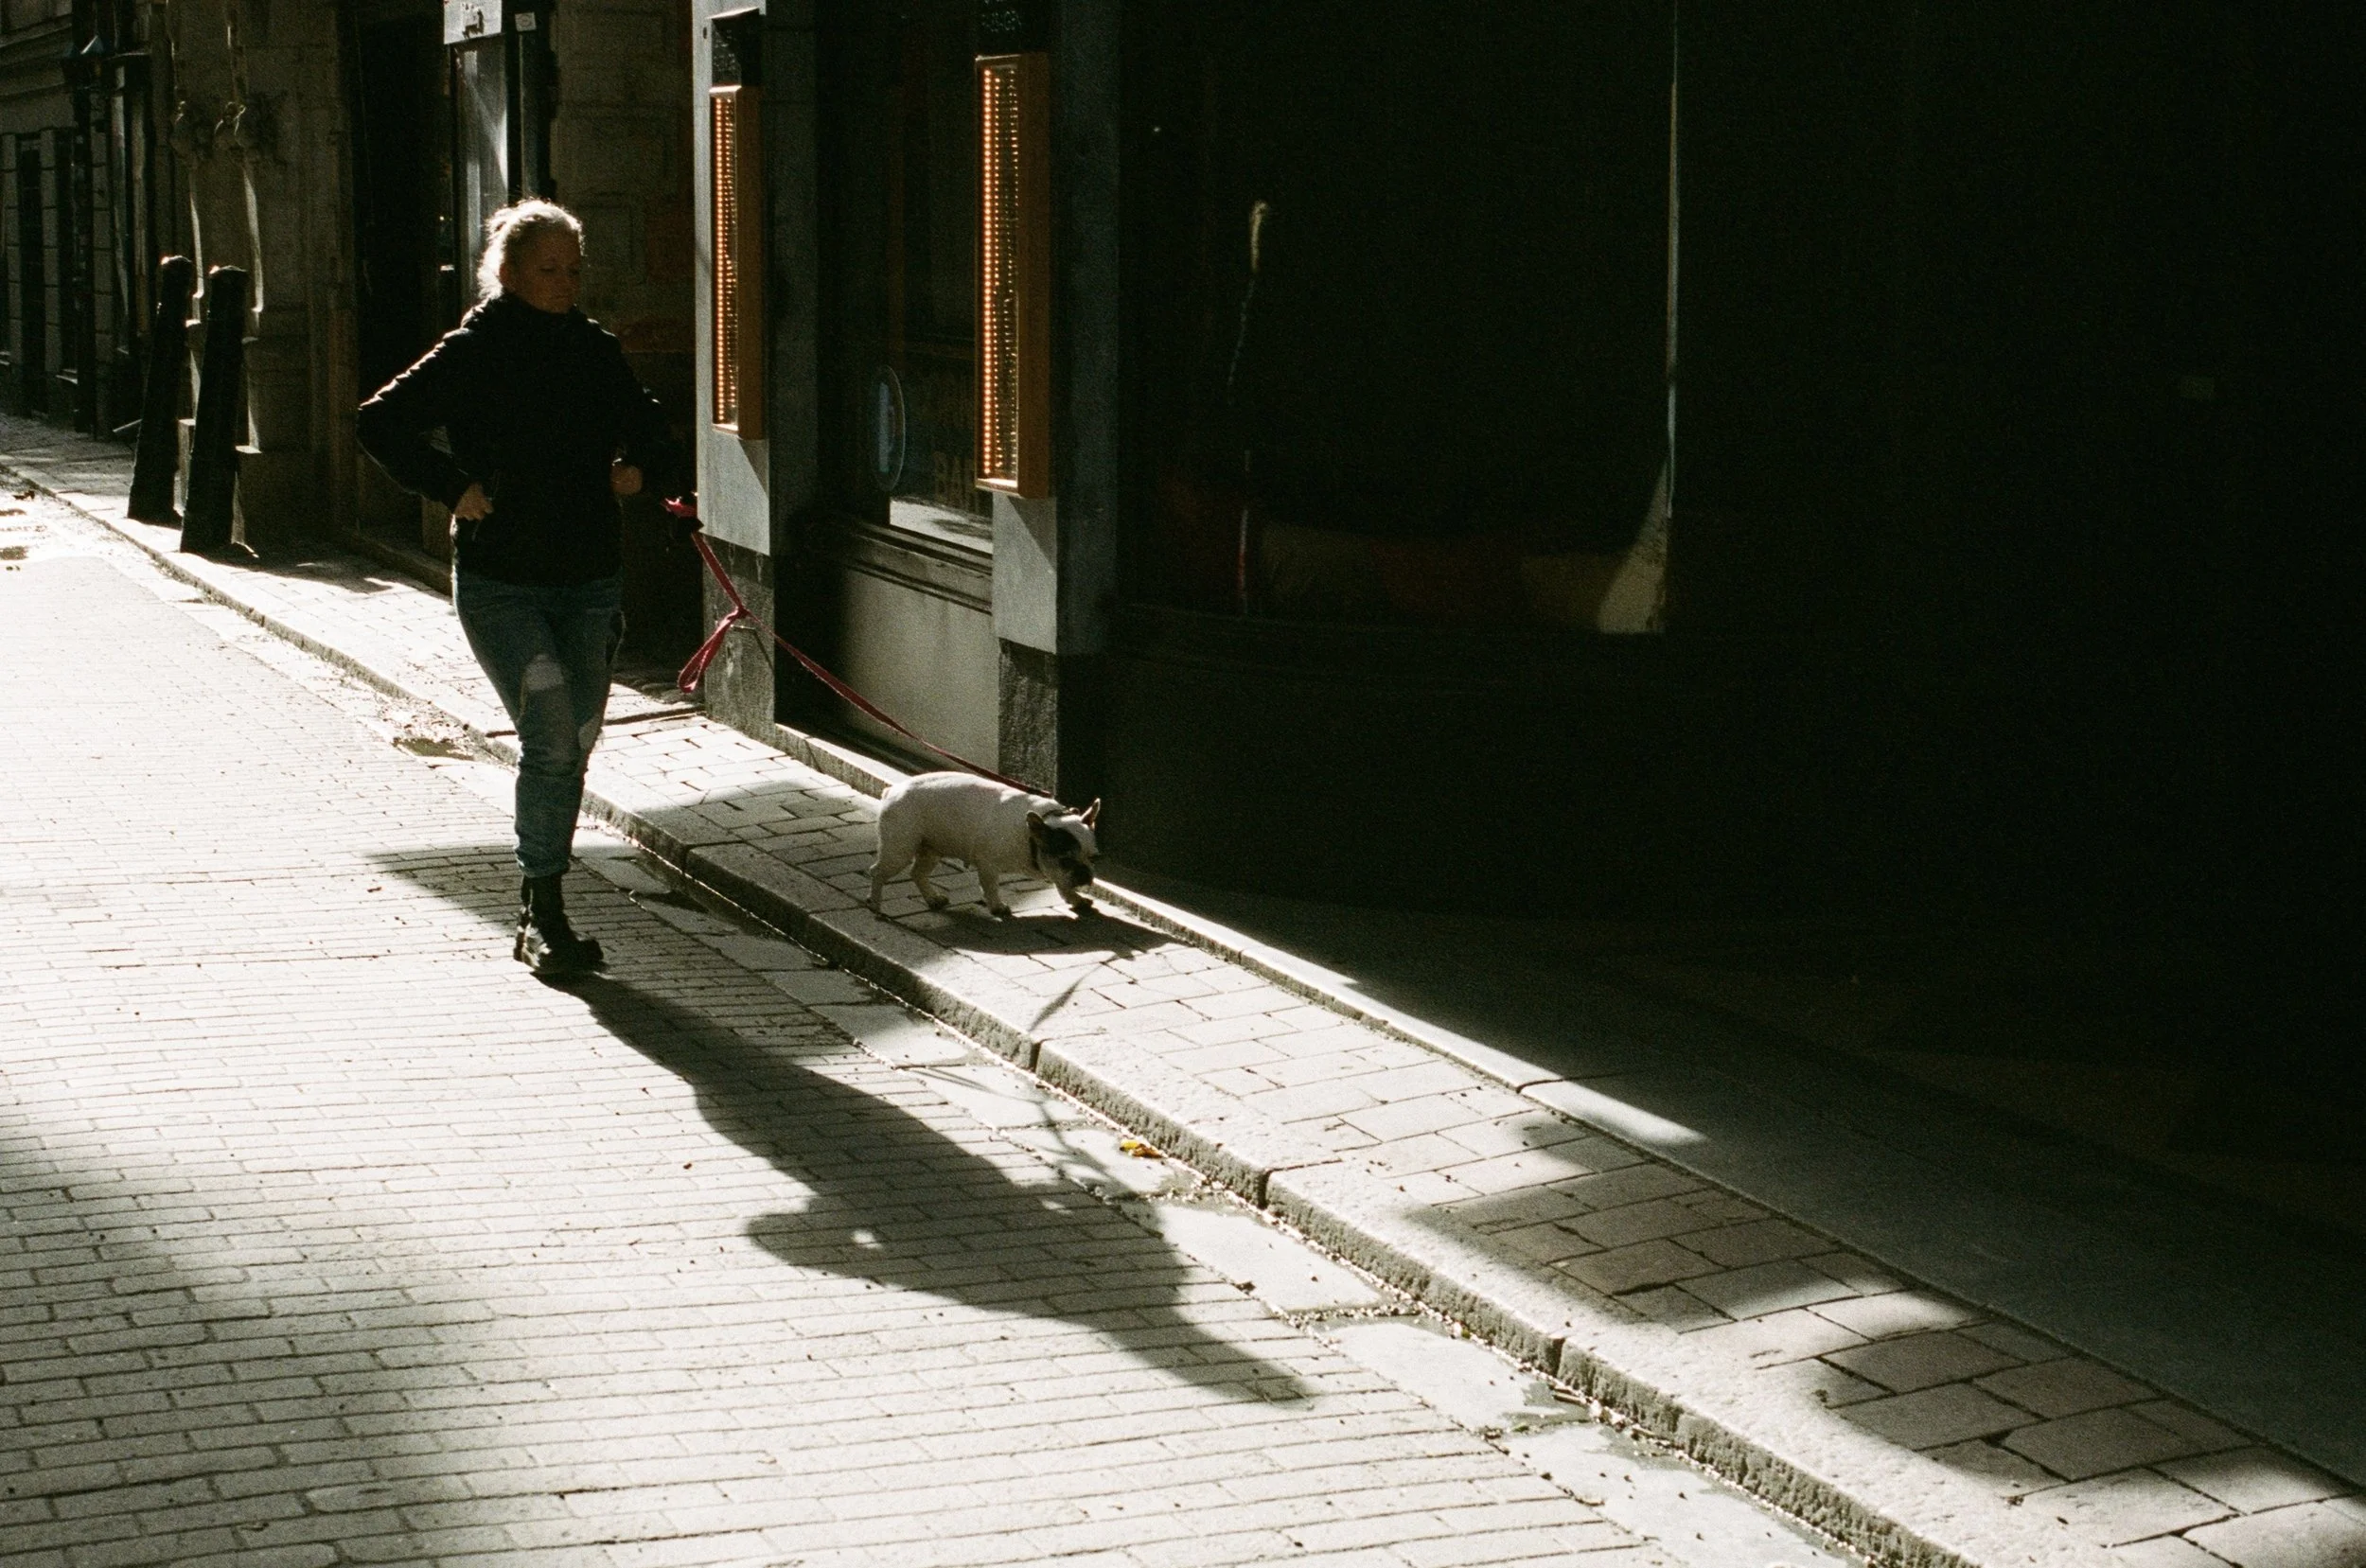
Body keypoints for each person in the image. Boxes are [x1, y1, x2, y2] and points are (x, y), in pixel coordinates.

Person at [358, 200, 675, 978]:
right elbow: (380, 421)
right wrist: (450, 484)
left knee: (574, 745)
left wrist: (640, 469)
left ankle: (543, 901)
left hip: (589, 578)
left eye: (573, 268)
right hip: (504, 582)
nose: (565, 282)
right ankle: (545, 909)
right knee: (553, 737)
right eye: (548, 269)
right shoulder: (476, 347)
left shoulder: (594, 349)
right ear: (507, 273)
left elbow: (653, 429)